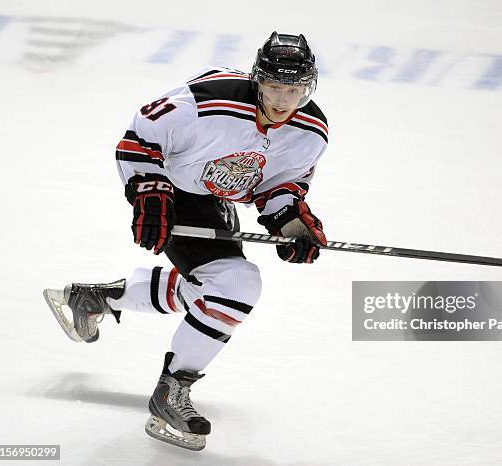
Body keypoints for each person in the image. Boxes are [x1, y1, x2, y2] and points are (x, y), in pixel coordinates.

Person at [43, 31, 328, 451]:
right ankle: (169, 393)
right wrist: (149, 191)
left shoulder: (311, 130)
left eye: (294, 89)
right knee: (236, 285)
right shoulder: (208, 101)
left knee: (210, 290)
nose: (283, 100)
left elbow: (280, 185)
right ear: (257, 80)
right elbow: (140, 136)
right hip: (173, 186)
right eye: (273, 87)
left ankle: (96, 298)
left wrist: (291, 224)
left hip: (213, 195)